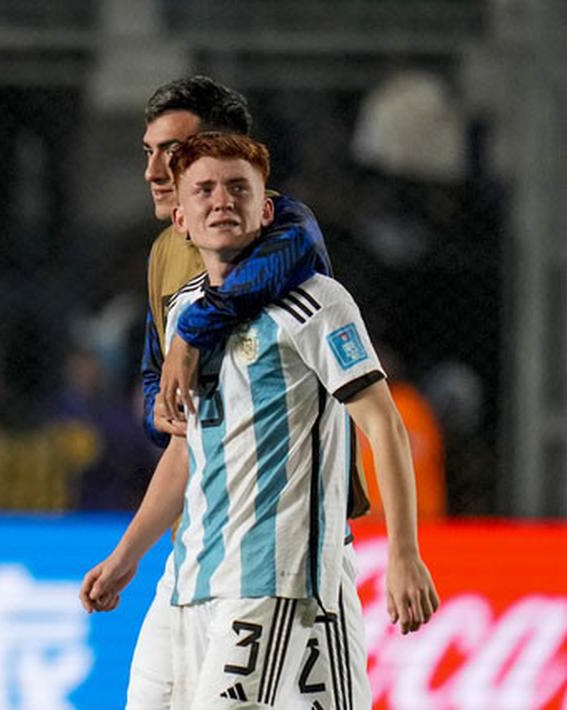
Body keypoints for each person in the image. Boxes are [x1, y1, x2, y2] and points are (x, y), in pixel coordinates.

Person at [103, 132, 441, 707]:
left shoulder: (315, 302)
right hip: (192, 573)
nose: (221, 201)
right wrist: (126, 556)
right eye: (204, 190)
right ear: (180, 217)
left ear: (266, 209)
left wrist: (405, 552)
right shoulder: (184, 311)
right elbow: (186, 451)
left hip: (270, 572)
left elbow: (383, 425)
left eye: (238, 187)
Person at [83, 75, 346, 709]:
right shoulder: (165, 255)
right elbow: (161, 397)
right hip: (200, 540)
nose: (153, 169)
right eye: (147, 152)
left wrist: (195, 331)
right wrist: (159, 408)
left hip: (287, 550)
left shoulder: (286, 230)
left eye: (171, 151)